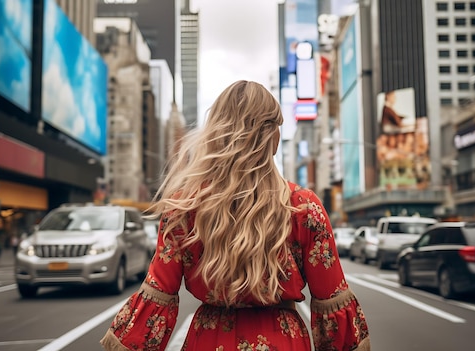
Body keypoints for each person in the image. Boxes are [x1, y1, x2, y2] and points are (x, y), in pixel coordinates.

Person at [100, 80, 370, 350]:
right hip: (283, 340)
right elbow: (330, 300)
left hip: (208, 339)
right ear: (273, 140)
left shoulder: (184, 208)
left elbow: (158, 293)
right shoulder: (303, 207)